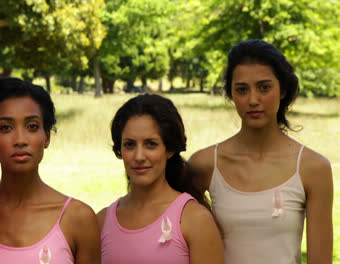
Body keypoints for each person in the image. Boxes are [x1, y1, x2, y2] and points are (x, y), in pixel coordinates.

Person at [190, 39, 333, 264]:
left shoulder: (313, 168)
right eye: (242, 90)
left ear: (283, 90)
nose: (253, 100)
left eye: (264, 87)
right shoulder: (204, 164)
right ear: (230, 94)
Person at [0, 77, 101, 264]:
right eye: (6, 128)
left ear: (47, 137)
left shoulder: (78, 219)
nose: (20, 139)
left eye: (32, 126)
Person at [97, 94, 223, 264]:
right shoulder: (102, 221)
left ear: (170, 149)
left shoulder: (194, 219)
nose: (139, 156)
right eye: (129, 144)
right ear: (119, 150)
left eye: (151, 144)